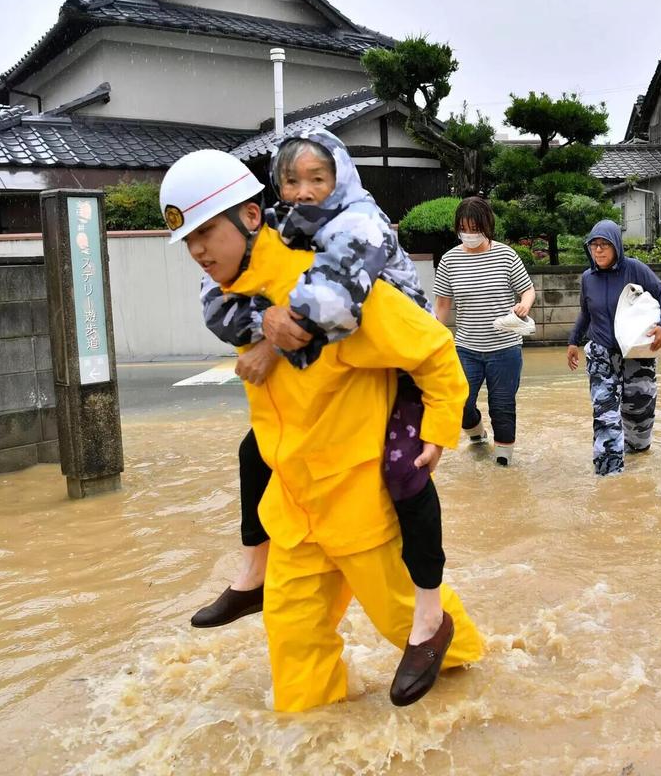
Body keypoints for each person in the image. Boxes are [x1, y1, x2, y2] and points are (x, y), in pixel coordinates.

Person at [162, 146, 481, 709]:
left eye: (206, 232)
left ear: (251, 217)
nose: (198, 251)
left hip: (361, 509)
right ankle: (311, 732)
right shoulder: (240, 304)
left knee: (418, 632)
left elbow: (432, 347)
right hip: (295, 513)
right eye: (189, 240)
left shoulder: (335, 289)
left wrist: (437, 429)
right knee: (293, 647)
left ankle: (482, 705)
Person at [566, 219, 661, 476]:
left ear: (616, 245)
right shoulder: (588, 278)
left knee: (639, 412)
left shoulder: (635, 269)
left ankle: (637, 460)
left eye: (604, 245)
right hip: (601, 353)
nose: (599, 250)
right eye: (594, 245)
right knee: (605, 415)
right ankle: (609, 475)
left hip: (636, 353)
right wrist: (573, 341)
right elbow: (585, 313)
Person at [432, 197, 535, 466]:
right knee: (460, 402)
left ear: (487, 226)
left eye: (475, 228)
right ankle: (477, 435)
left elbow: (527, 289)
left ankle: (503, 462)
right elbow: (442, 305)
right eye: (463, 228)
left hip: (505, 348)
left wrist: (524, 304)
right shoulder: (449, 260)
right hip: (466, 348)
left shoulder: (506, 255)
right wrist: (431, 338)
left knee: (502, 406)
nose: (469, 234)